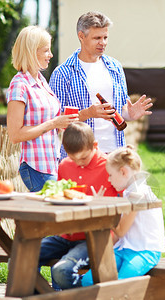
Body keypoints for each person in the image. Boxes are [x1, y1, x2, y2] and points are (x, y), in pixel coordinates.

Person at [49, 11, 152, 158]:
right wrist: (88, 113)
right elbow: (55, 120)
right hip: (80, 156)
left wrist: (130, 114)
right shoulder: (63, 73)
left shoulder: (115, 67)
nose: (102, 42)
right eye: (97, 38)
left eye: (105, 37)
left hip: (114, 154)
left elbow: (119, 112)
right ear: (81, 36)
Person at [38, 121, 118, 290]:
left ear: (95, 146)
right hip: (65, 236)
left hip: (95, 238)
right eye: (73, 158)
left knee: (61, 271)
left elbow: (125, 207)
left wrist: (101, 204)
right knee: (18, 258)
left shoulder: (109, 167)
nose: (79, 163)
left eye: (83, 158)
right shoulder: (65, 165)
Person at [80, 145, 165, 286]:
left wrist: (102, 209)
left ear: (123, 172)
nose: (108, 180)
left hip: (145, 251)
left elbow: (120, 230)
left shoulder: (138, 194)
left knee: (119, 285)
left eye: (111, 175)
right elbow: (119, 235)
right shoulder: (129, 192)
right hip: (124, 248)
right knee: (88, 280)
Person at [6, 26, 78, 192]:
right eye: (46, 50)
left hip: (51, 163)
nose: (50, 55)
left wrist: (60, 124)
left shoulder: (41, 81)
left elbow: (45, 122)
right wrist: (53, 123)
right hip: (35, 166)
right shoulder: (19, 85)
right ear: (32, 52)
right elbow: (15, 135)